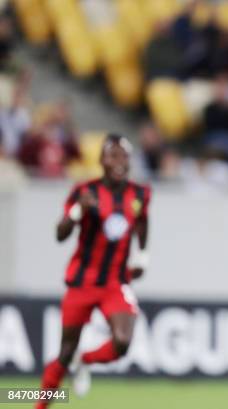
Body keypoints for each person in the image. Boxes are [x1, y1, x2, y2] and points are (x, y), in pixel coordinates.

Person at [35, 134, 151, 409]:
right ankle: (39, 405)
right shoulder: (84, 192)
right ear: (101, 160)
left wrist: (143, 256)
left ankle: (85, 360)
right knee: (64, 353)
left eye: (124, 156)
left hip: (115, 281)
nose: (119, 162)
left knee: (122, 341)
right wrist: (77, 212)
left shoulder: (139, 194)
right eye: (113, 155)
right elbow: (60, 234)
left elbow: (143, 223)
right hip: (82, 281)